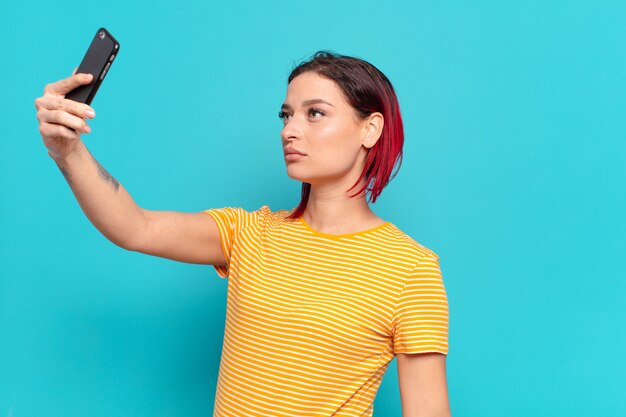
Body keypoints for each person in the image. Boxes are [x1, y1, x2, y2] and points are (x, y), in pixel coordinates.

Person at [35, 51, 451, 416]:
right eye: (286, 115)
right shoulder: (248, 233)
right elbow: (134, 226)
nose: (289, 130)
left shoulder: (410, 269)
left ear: (370, 129)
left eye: (315, 113)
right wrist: (67, 151)